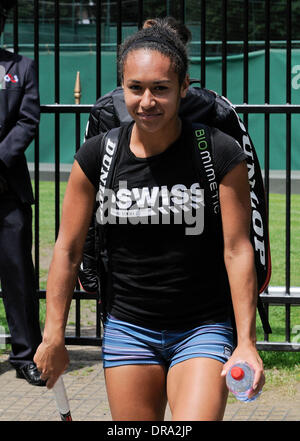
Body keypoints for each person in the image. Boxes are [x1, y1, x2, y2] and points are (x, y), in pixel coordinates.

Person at [34, 18, 265, 420]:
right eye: (136, 88)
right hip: (128, 329)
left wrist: (246, 340)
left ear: (183, 88)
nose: (146, 101)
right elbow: (67, 250)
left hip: (203, 328)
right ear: (122, 87)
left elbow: (237, 247)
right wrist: (53, 333)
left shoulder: (219, 152)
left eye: (160, 88)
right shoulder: (95, 156)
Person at [0, 0, 45, 386]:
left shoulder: (21, 67)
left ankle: (26, 354)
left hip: (7, 189)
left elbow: (28, 119)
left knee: (18, 275)